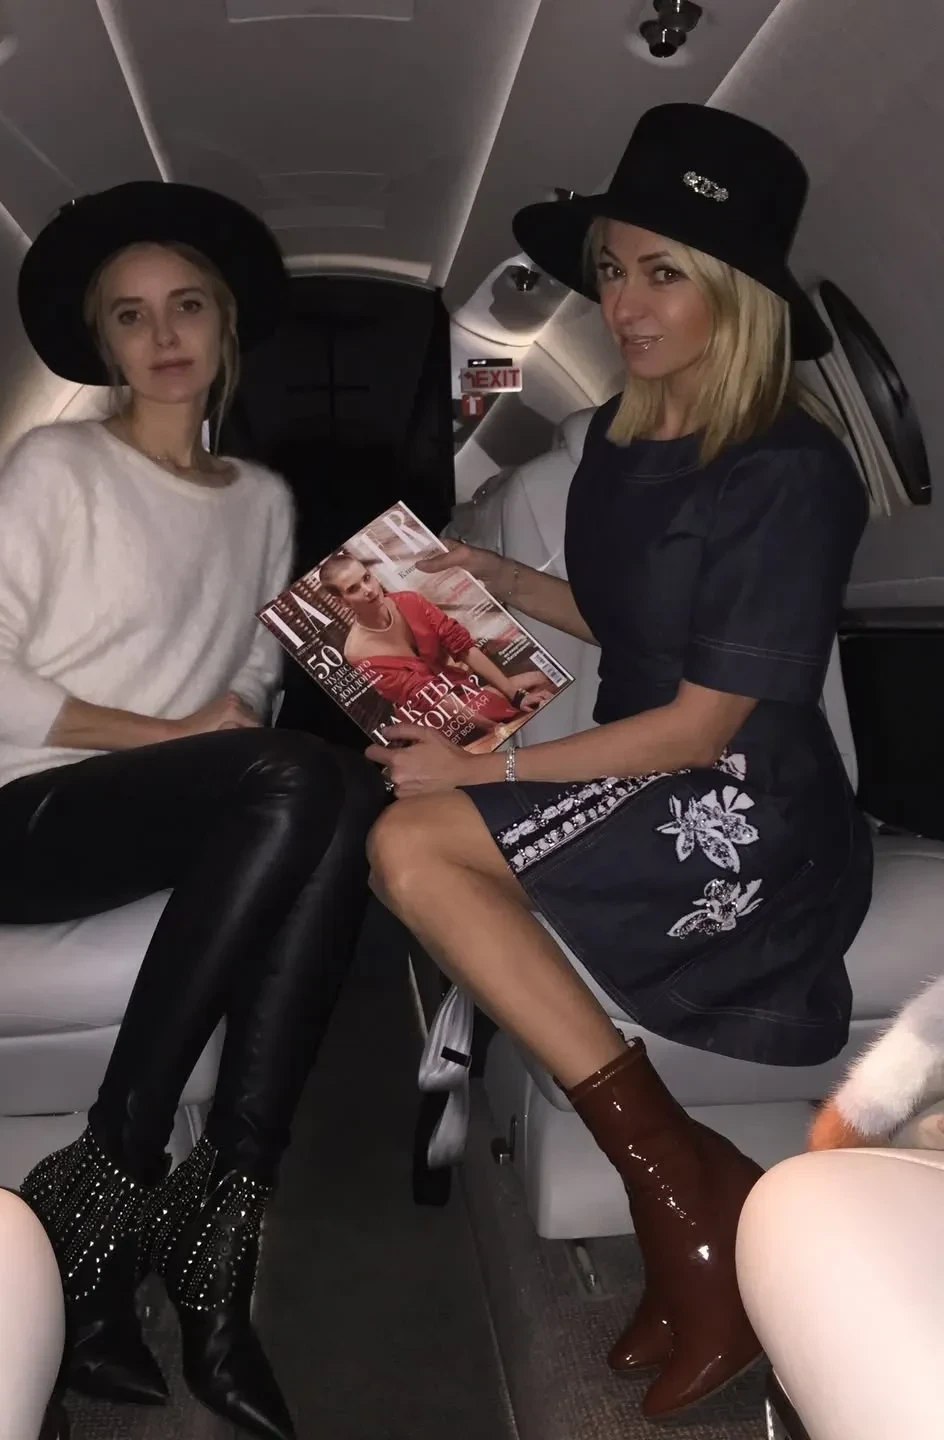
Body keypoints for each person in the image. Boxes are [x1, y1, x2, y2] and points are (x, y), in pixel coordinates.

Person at [365, 103, 873, 1421]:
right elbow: (631, 625)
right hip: (650, 775)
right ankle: (693, 1197)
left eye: (663, 274)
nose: (626, 306)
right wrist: (497, 577)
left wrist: (486, 774)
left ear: (738, 296)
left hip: (747, 800)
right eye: (611, 271)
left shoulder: (791, 469)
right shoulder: (617, 443)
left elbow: (706, 724)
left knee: (413, 843)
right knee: (408, 843)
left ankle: (682, 1199)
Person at [0, 181, 384, 1440]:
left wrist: (240, 721)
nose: (163, 334)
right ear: (104, 344)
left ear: (224, 326)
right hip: (12, 823)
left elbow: (249, 687)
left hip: (165, 813)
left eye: (186, 307)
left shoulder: (264, 502)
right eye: (130, 315)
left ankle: (214, 1236)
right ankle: (119, 1175)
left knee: (342, 785)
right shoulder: (57, 465)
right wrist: (175, 738)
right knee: (304, 776)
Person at [318, 551, 555, 731]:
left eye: (367, 578)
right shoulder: (357, 651)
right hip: (434, 718)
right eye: (353, 589)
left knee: (539, 678)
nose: (368, 590)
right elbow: (427, 697)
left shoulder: (410, 601)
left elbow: (462, 647)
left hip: (461, 687)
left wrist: (516, 696)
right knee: (516, 705)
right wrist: (494, 729)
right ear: (342, 602)